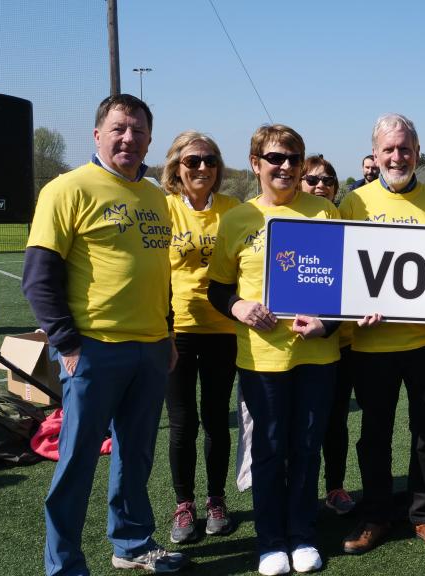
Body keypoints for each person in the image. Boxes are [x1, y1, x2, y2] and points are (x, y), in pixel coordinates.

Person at [22, 94, 187, 574]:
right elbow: (38, 277)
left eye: (138, 130)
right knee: (76, 462)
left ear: (150, 139)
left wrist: (169, 334)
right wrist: (66, 343)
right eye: (118, 128)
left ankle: (132, 543)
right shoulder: (67, 188)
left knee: (136, 455)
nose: (128, 138)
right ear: (97, 134)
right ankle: (65, 563)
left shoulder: (158, 197)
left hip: (152, 349)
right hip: (93, 351)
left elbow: (160, 273)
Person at [207, 124, 343, 575]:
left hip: (317, 356)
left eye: (292, 158)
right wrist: (238, 305)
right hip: (261, 358)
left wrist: (327, 322)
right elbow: (218, 289)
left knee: (306, 447)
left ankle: (303, 535)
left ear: (303, 165)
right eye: (274, 158)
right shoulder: (237, 219)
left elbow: (347, 287)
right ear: (255, 164)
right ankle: (270, 542)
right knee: (267, 449)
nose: (284, 166)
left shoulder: (326, 213)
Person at [339, 113, 425, 557]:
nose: (397, 156)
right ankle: (375, 515)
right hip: (371, 345)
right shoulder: (353, 204)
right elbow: (344, 274)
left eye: (404, 148)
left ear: (417, 151)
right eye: (388, 149)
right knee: (375, 434)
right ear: (375, 154)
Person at [161, 131, 240, 544]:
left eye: (210, 160)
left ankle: (215, 499)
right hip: (176, 330)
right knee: (181, 423)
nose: (203, 168)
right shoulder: (163, 208)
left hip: (223, 330)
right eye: (193, 161)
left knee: (215, 420)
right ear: (176, 165)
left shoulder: (233, 209)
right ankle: (183, 503)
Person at [299, 154, 358, 516]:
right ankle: (301, 491)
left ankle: (335, 487)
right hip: (300, 344)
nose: (321, 186)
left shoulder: (345, 222)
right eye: (312, 180)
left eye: (328, 180)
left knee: (336, 421)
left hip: (344, 342)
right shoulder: (287, 221)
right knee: (303, 425)